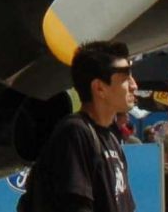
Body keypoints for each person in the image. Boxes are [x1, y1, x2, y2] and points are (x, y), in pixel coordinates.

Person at [26, 40, 136, 212]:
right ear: (99, 88)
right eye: (125, 78)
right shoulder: (74, 133)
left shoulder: (111, 137)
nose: (134, 85)